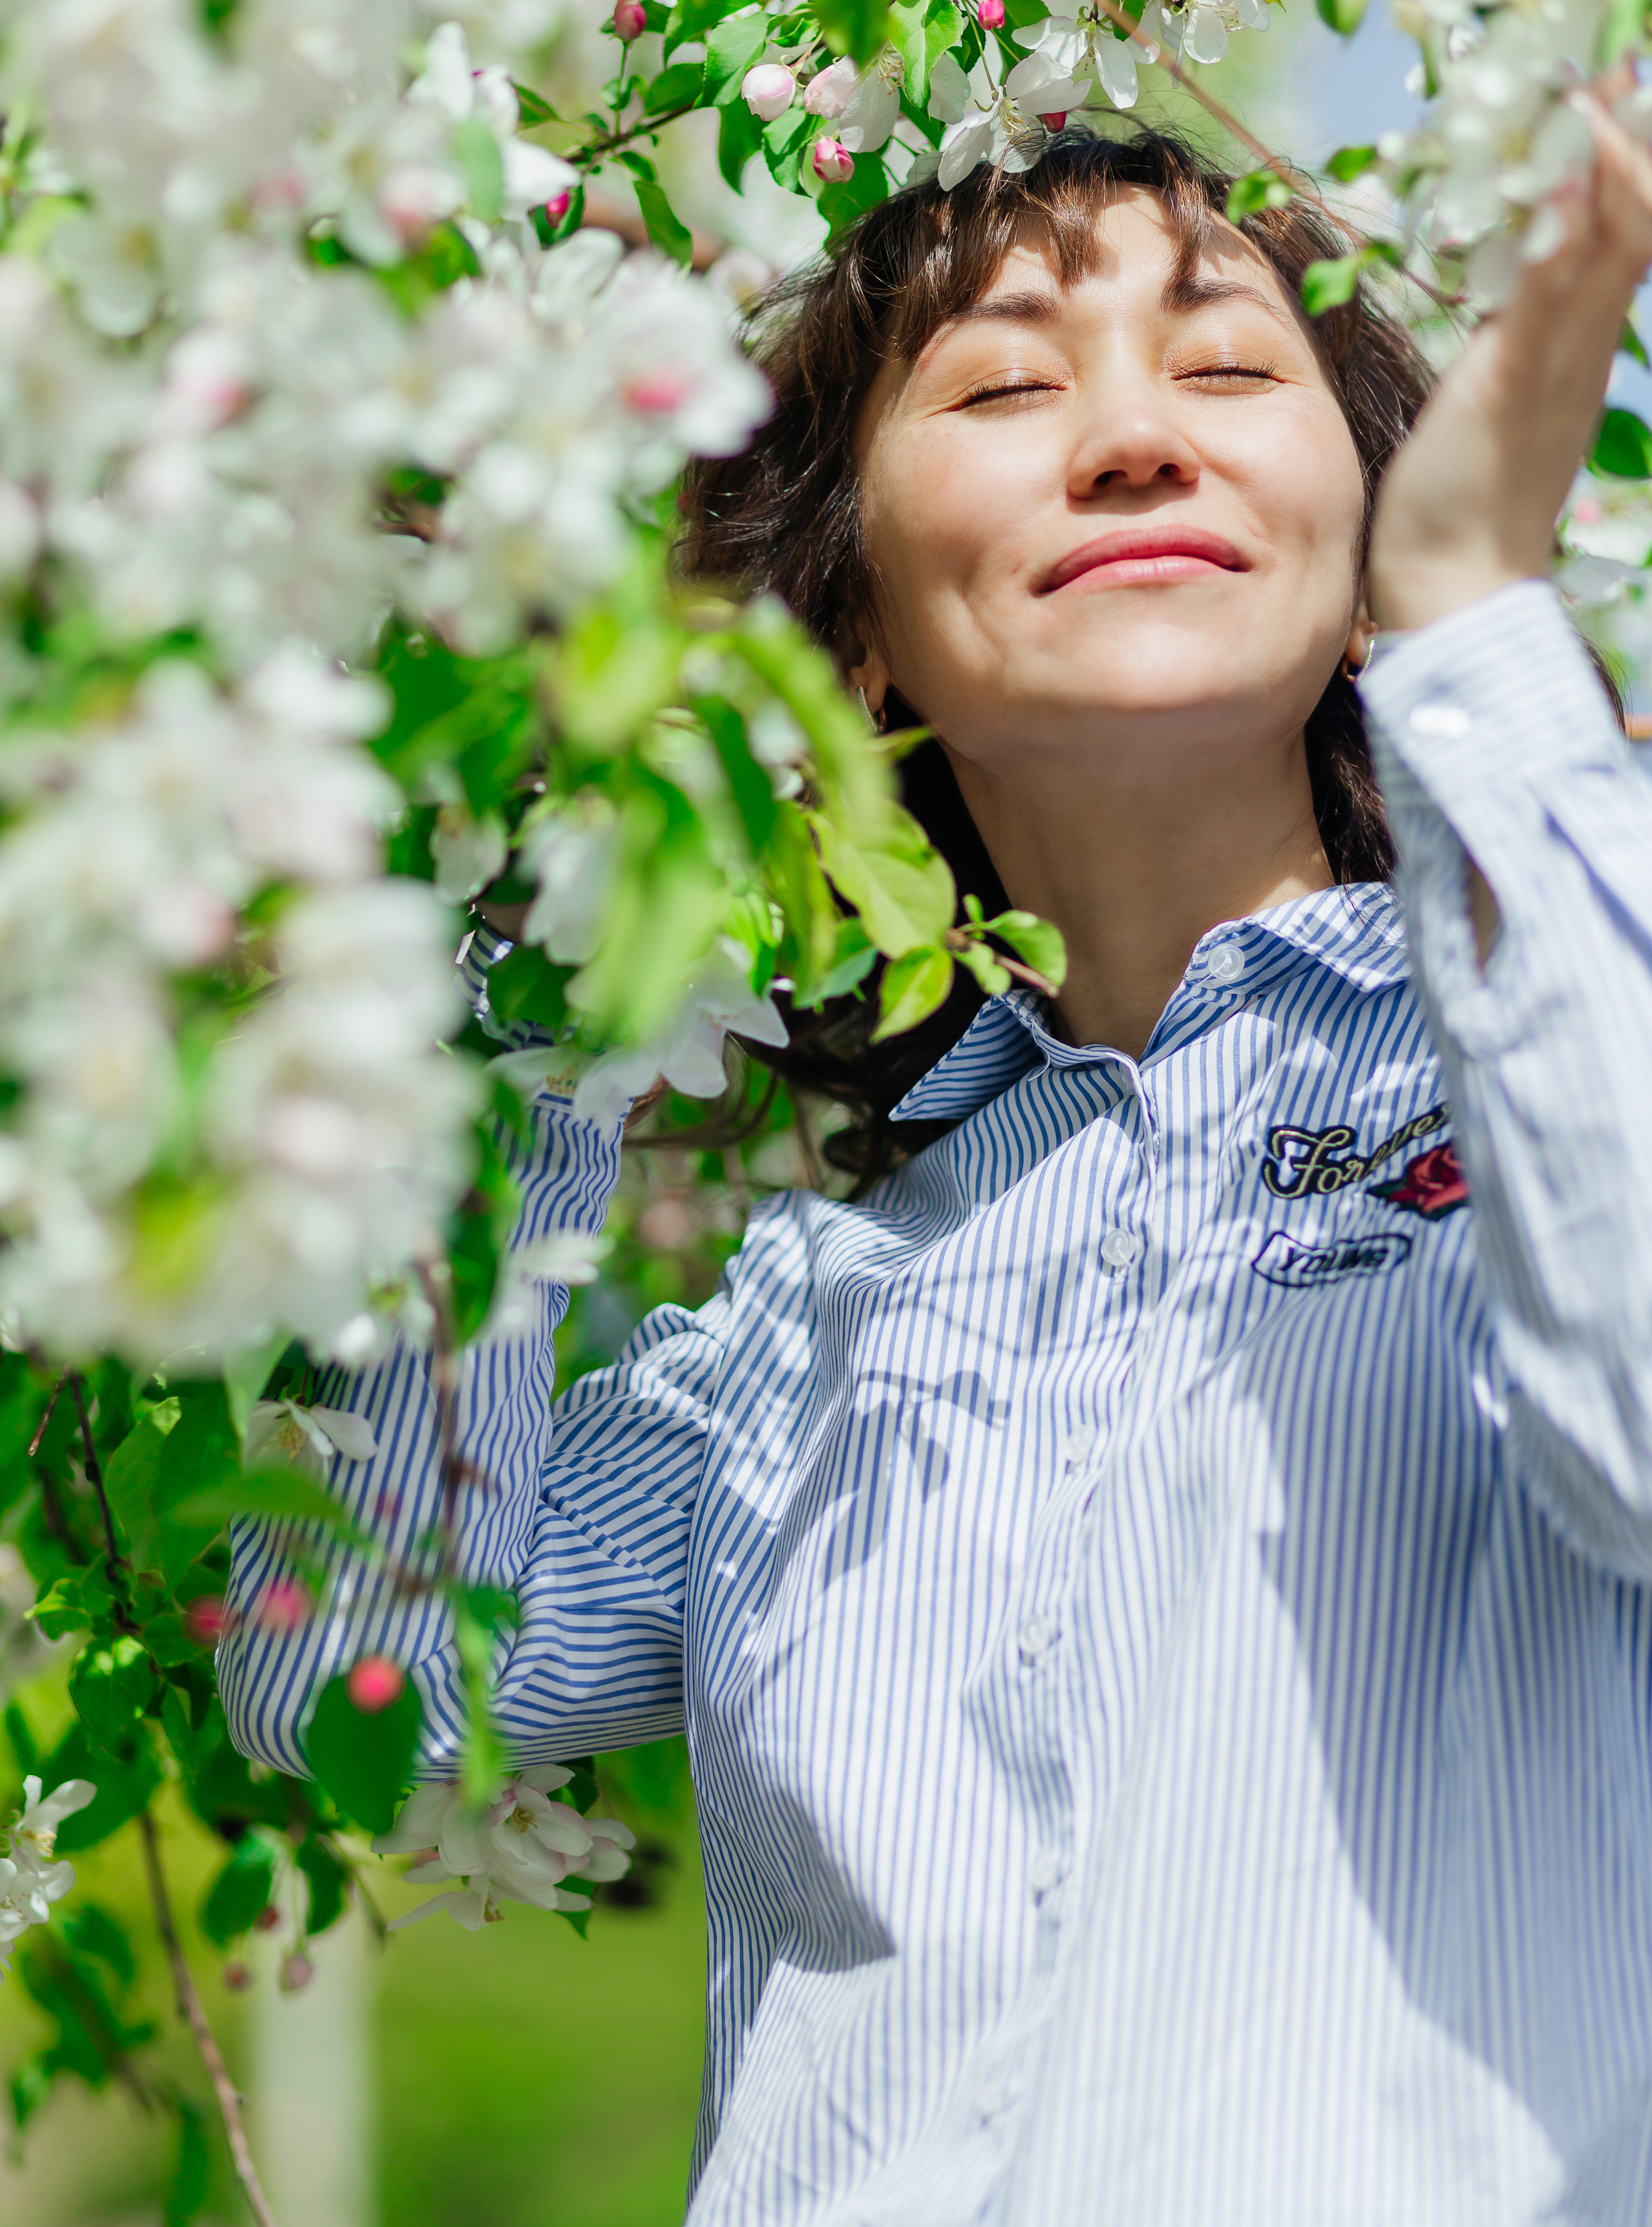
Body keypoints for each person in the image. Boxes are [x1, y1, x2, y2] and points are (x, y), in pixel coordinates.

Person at [222, 118, 1652, 2226]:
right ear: (859, 646)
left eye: (1229, 370)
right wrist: (509, 942)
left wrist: (1474, 629)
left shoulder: (1556, 1069)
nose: (1134, 437)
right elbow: (360, 1683)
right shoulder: (807, 1321)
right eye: (1002, 385)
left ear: (1359, 571)